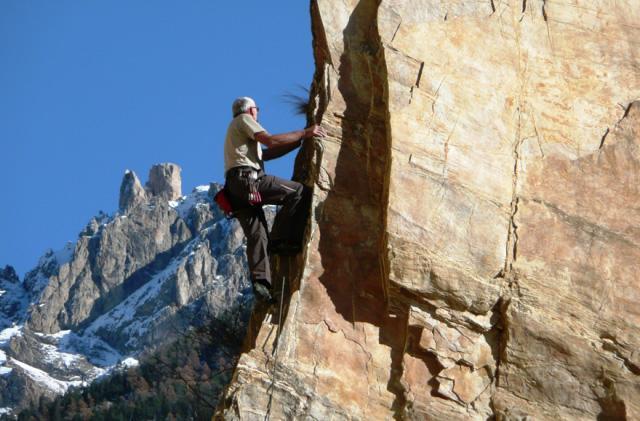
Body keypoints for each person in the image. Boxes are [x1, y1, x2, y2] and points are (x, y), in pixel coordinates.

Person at [223, 96, 326, 302]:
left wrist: (300, 141)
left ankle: (261, 283)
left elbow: (267, 154)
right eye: (257, 109)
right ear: (251, 110)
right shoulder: (244, 119)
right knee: (298, 192)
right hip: (249, 180)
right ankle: (282, 239)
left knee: (257, 235)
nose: (258, 113)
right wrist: (305, 132)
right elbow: (270, 140)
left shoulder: (237, 135)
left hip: (235, 191)